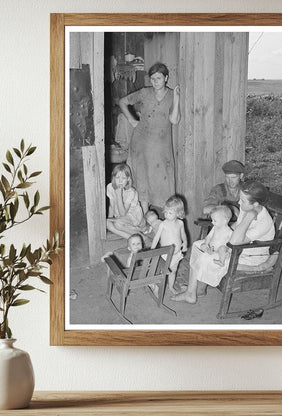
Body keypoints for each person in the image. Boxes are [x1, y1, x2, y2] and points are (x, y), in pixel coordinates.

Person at [172, 181, 275, 304]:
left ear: (256, 204)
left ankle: (191, 293)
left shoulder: (262, 222)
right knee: (198, 246)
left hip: (249, 256)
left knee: (207, 257)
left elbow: (235, 241)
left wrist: (249, 216)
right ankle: (198, 289)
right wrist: (219, 234)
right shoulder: (247, 207)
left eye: (242, 201)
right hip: (238, 248)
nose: (239, 203)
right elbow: (235, 227)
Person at [119, 62, 180, 213]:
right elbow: (123, 102)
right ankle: (143, 215)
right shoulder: (144, 93)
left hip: (161, 145)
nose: (155, 82)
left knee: (163, 178)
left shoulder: (172, 95)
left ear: (166, 78)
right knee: (142, 177)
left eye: (158, 78)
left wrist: (177, 98)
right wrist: (132, 120)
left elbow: (174, 120)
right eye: (152, 79)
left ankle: (168, 217)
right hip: (141, 142)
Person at [150, 196, 187, 295]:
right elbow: (156, 238)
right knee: (163, 272)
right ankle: (156, 287)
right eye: (165, 212)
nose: (166, 215)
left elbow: (183, 234)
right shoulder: (163, 224)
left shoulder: (180, 223)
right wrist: (152, 250)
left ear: (178, 213)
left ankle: (171, 287)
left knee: (173, 271)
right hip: (165, 254)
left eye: (170, 213)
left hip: (176, 253)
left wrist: (185, 243)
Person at [106, 163, 146, 239]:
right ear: (113, 177)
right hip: (121, 217)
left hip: (133, 216)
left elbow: (123, 213)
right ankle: (131, 238)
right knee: (107, 223)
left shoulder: (131, 192)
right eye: (117, 177)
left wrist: (118, 194)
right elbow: (111, 206)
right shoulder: (110, 187)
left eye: (123, 178)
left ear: (128, 179)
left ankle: (143, 237)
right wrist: (110, 218)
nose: (120, 181)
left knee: (118, 224)